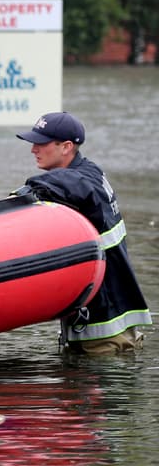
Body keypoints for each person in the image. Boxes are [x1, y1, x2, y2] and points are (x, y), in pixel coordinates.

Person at [12, 111, 151, 354]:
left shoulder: (76, 181)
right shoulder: (91, 171)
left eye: (41, 143)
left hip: (104, 335)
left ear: (66, 147)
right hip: (115, 323)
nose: (33, 149)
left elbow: (49, 185)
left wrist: (5, 203)